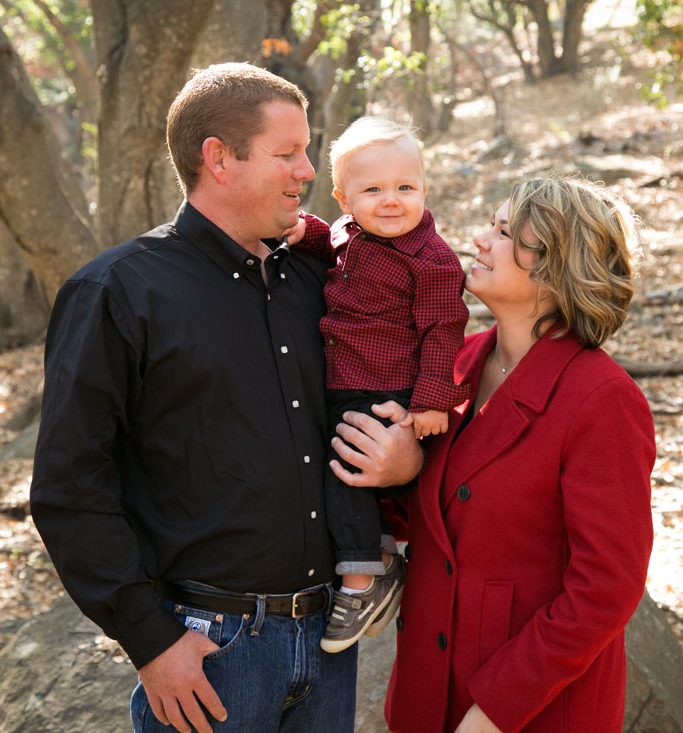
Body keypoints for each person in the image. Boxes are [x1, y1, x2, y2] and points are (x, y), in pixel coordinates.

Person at [29, 63, 421, 733]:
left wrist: (405, 457)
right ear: (218, 158)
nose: (307, 171)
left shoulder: (321, 274)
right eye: (288, 152)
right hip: (212, 654)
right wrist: (151, 642)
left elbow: (401, 362)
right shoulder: (118, 291)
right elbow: (69, 488)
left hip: (329, 641)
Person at [335, 176, 655, 732]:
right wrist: (404, 471)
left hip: (530, 708)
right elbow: (445, 522)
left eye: (505, 232)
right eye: (491, 224)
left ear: (558, 269)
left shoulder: (602, 400)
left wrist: (492, 714)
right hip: (425, 695)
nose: (480, 239)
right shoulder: (455, 367)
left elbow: (607, 589)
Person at [285, 116, 469, 654]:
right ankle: (382, 557)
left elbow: (443, 330)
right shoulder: (349, 231)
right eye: (372, 190)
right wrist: (308, 231)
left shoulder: (431, 261)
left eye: (405, 188)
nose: (391, 201)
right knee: (335, 467)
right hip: (342, 379)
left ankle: (363, 582)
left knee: (348, 472)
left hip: (389, 388)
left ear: (423, 189)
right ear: (344, 198)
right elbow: (331, 241)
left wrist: (433, 399)